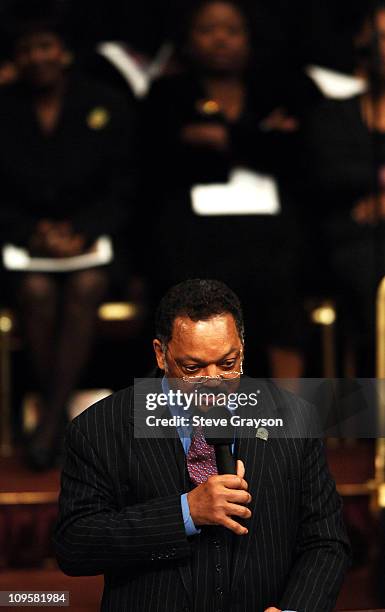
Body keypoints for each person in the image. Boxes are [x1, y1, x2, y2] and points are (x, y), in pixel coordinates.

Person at [54, 278, 350, 612]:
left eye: (228, 364)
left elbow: (325, 541)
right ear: (161, 354)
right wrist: (186, 512)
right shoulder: (99, 428)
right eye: (192, 367)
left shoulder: (295, 419)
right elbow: (75, 544)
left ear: (243, 346)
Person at [139, 0, 320, 378]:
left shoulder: (279, 88)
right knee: (192, 301)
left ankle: (287, 430)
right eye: (207, 30)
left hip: (272, 227)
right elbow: (161, 163)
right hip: (191, 229)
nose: (220, 39)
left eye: (231, 31)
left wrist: (219, 137)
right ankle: (196, 429)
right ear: (187, 41)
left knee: (283, 292)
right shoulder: (167, 93)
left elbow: (298, 156)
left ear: (249, 39)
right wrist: (259, 138)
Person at [0, 16, 136, 469]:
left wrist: (83, 230)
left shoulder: (106, 103)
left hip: (93, 242)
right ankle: (61, 421)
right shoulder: (4, 107)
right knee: (36, 291)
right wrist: (33, 233)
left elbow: (125, 186)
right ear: (15, 58)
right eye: (27, 48)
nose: (37, 56)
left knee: (86, 286)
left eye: (46, 45)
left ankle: (48, 423)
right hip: (21, 245)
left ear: (65, 52)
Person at [299, 1, 385, 375]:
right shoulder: (335, 115)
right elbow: (326, 176)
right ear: (364, 45)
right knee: (367, 270)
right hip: (353, 241)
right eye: (382, 37)